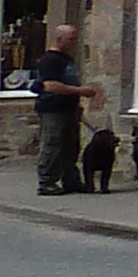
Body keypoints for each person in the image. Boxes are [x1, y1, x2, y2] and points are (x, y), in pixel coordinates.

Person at [32, 23, 88, 195]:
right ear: (59, 39)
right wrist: (81, 91)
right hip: (52, 108)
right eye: (70, 39)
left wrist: (77, 104)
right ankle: (47, 182)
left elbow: (69, 82)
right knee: (52, 145)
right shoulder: (50, 59)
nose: (73, 42)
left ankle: (71, 180)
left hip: (68, 107)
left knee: (71, 146)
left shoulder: (67, 59)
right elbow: (50, 85)